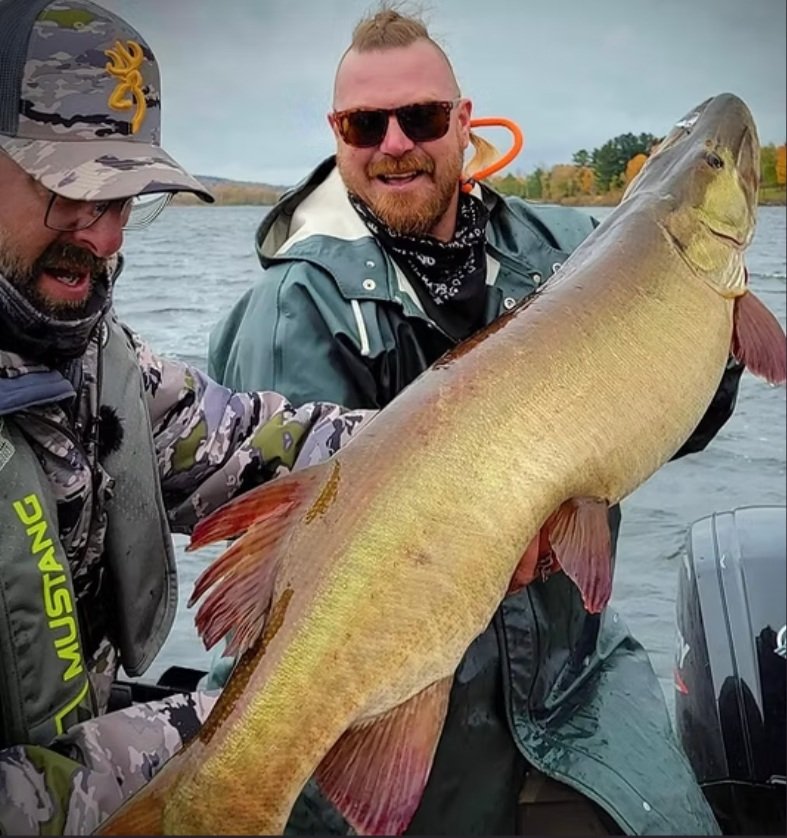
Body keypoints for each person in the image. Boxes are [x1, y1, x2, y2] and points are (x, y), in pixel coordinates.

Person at [208, 7, 745, 835]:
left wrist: (707, 333)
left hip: (574, 687)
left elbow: (676, 418)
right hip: (404, 696)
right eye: (365, 123)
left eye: (420, 117)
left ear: (463, 122)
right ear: (337, 134)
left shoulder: (571, 248)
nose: (393, 143)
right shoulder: (291, 310)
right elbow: (309, 576)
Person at [0, 0, 371, 834]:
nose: (98, 235)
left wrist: (471, 435)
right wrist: (201, 740)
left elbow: (267, 443)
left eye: (125, 197)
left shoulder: (100, 361)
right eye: (70, 191)